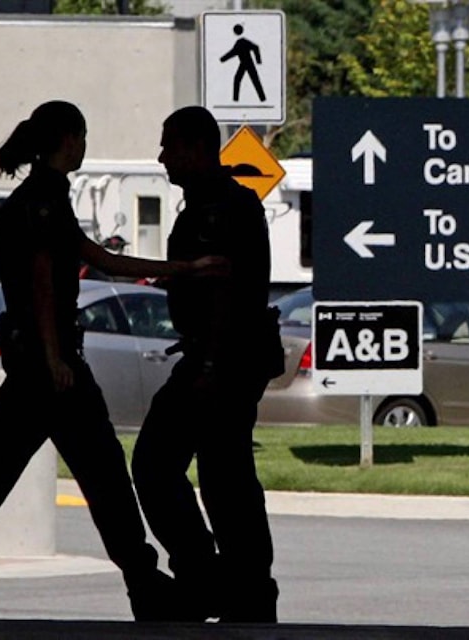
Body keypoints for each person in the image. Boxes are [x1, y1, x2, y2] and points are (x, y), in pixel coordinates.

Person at [0, 100, 221, 621]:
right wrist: (55, 358)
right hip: (51, 370)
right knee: (102, 477)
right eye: (83, 137)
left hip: (37, 366)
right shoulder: (43, 201)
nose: (85, 146)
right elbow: (43, 282)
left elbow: (101, 259)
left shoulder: (39, 199)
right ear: (68, 140)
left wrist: (184, 267)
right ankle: (144, 586)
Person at [131, 106, 283, 624]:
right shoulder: (205, 203)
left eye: (169, 146)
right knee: (211, 472)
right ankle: (225, 582)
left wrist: (211, 366)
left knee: (203, 473)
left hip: (224, 359)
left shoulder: (222, 208)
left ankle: (232, 584)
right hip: (214, 357)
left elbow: (226, 292)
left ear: (196, 149)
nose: (162, 157)